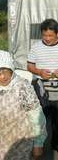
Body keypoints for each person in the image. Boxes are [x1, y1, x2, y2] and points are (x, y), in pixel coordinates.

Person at [0, 50, 47, 160]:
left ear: (11, 68)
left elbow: (36, 115)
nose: (3, 77)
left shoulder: (22, 87)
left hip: (21, 138)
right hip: (0, 137)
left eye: (6, 71)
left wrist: (38, 143)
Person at [27, 18, 58, 159]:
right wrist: (39, 72)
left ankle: (56, 145)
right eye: (44, 35)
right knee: (40, 119)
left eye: (50, 35)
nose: (47, 39)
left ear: (57, 34)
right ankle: (38, 144)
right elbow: (30, 66)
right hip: (41, 88)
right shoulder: (36, 47)